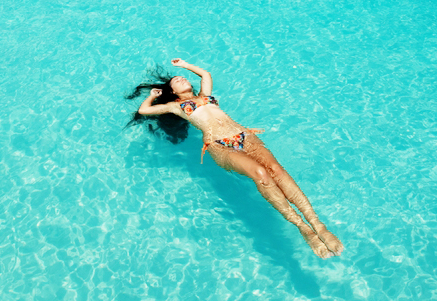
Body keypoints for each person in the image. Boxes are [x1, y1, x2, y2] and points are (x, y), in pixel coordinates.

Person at [126, 58, 344, 258]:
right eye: (175, 80)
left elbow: (206, 75)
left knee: (277, 170)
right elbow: (145, 111)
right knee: (261, 175)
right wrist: (152, 96)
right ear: (173, 92)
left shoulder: (206, 96)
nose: (181, 78)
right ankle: (303, 228)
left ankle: (319, 225)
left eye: (182, 77)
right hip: (220, 147)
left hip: (244, 136)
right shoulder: (177, 106)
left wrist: (184, 64)